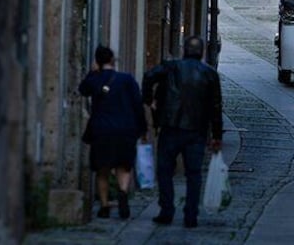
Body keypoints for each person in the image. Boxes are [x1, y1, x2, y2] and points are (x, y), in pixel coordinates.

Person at [142, 35, 223, 228]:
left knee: (165, 170)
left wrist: (149, 100)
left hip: (170, 126)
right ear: (202, 52)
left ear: (184, 50)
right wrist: (217, 136)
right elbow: (216, 106)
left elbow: (148, 76)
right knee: (194, 173)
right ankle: (191, 214)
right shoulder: (210, 74)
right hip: (197, 130)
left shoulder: (171, 67)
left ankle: (167, 210)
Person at [78, 45, 146, 219]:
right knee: (124, 166)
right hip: (125, 129)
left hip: (102, 130)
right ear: (112, 60)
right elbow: (138, 105)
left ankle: (104, 205)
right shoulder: (127, 79)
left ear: (97, 61)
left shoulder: (95, 79)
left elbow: (82, 90)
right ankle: (123, 192)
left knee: (103, 170)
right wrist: (142, 128)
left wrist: (93, 73)